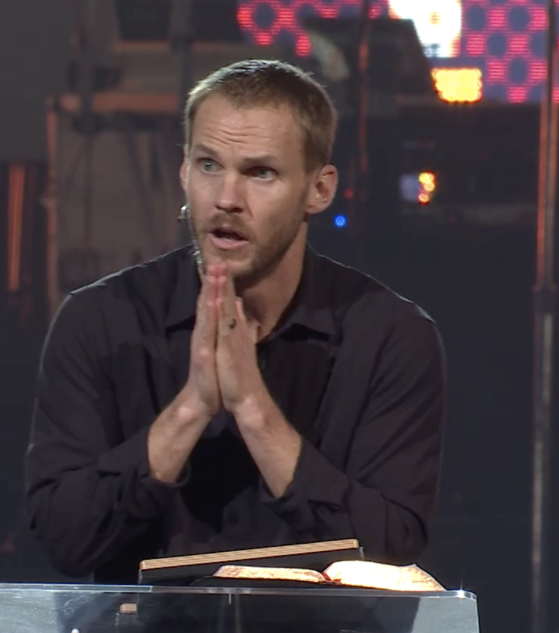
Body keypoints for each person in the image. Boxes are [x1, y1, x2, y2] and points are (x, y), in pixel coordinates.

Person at [25, 59, 446, 583]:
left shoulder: (390, 337)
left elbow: (391, 553)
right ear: (183, 171)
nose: (226, 198)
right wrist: (191, 408)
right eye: (208, 165)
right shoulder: (100, 322)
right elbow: (65, 539)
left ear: (319, 189)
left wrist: (253, 409)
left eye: (259, 172)